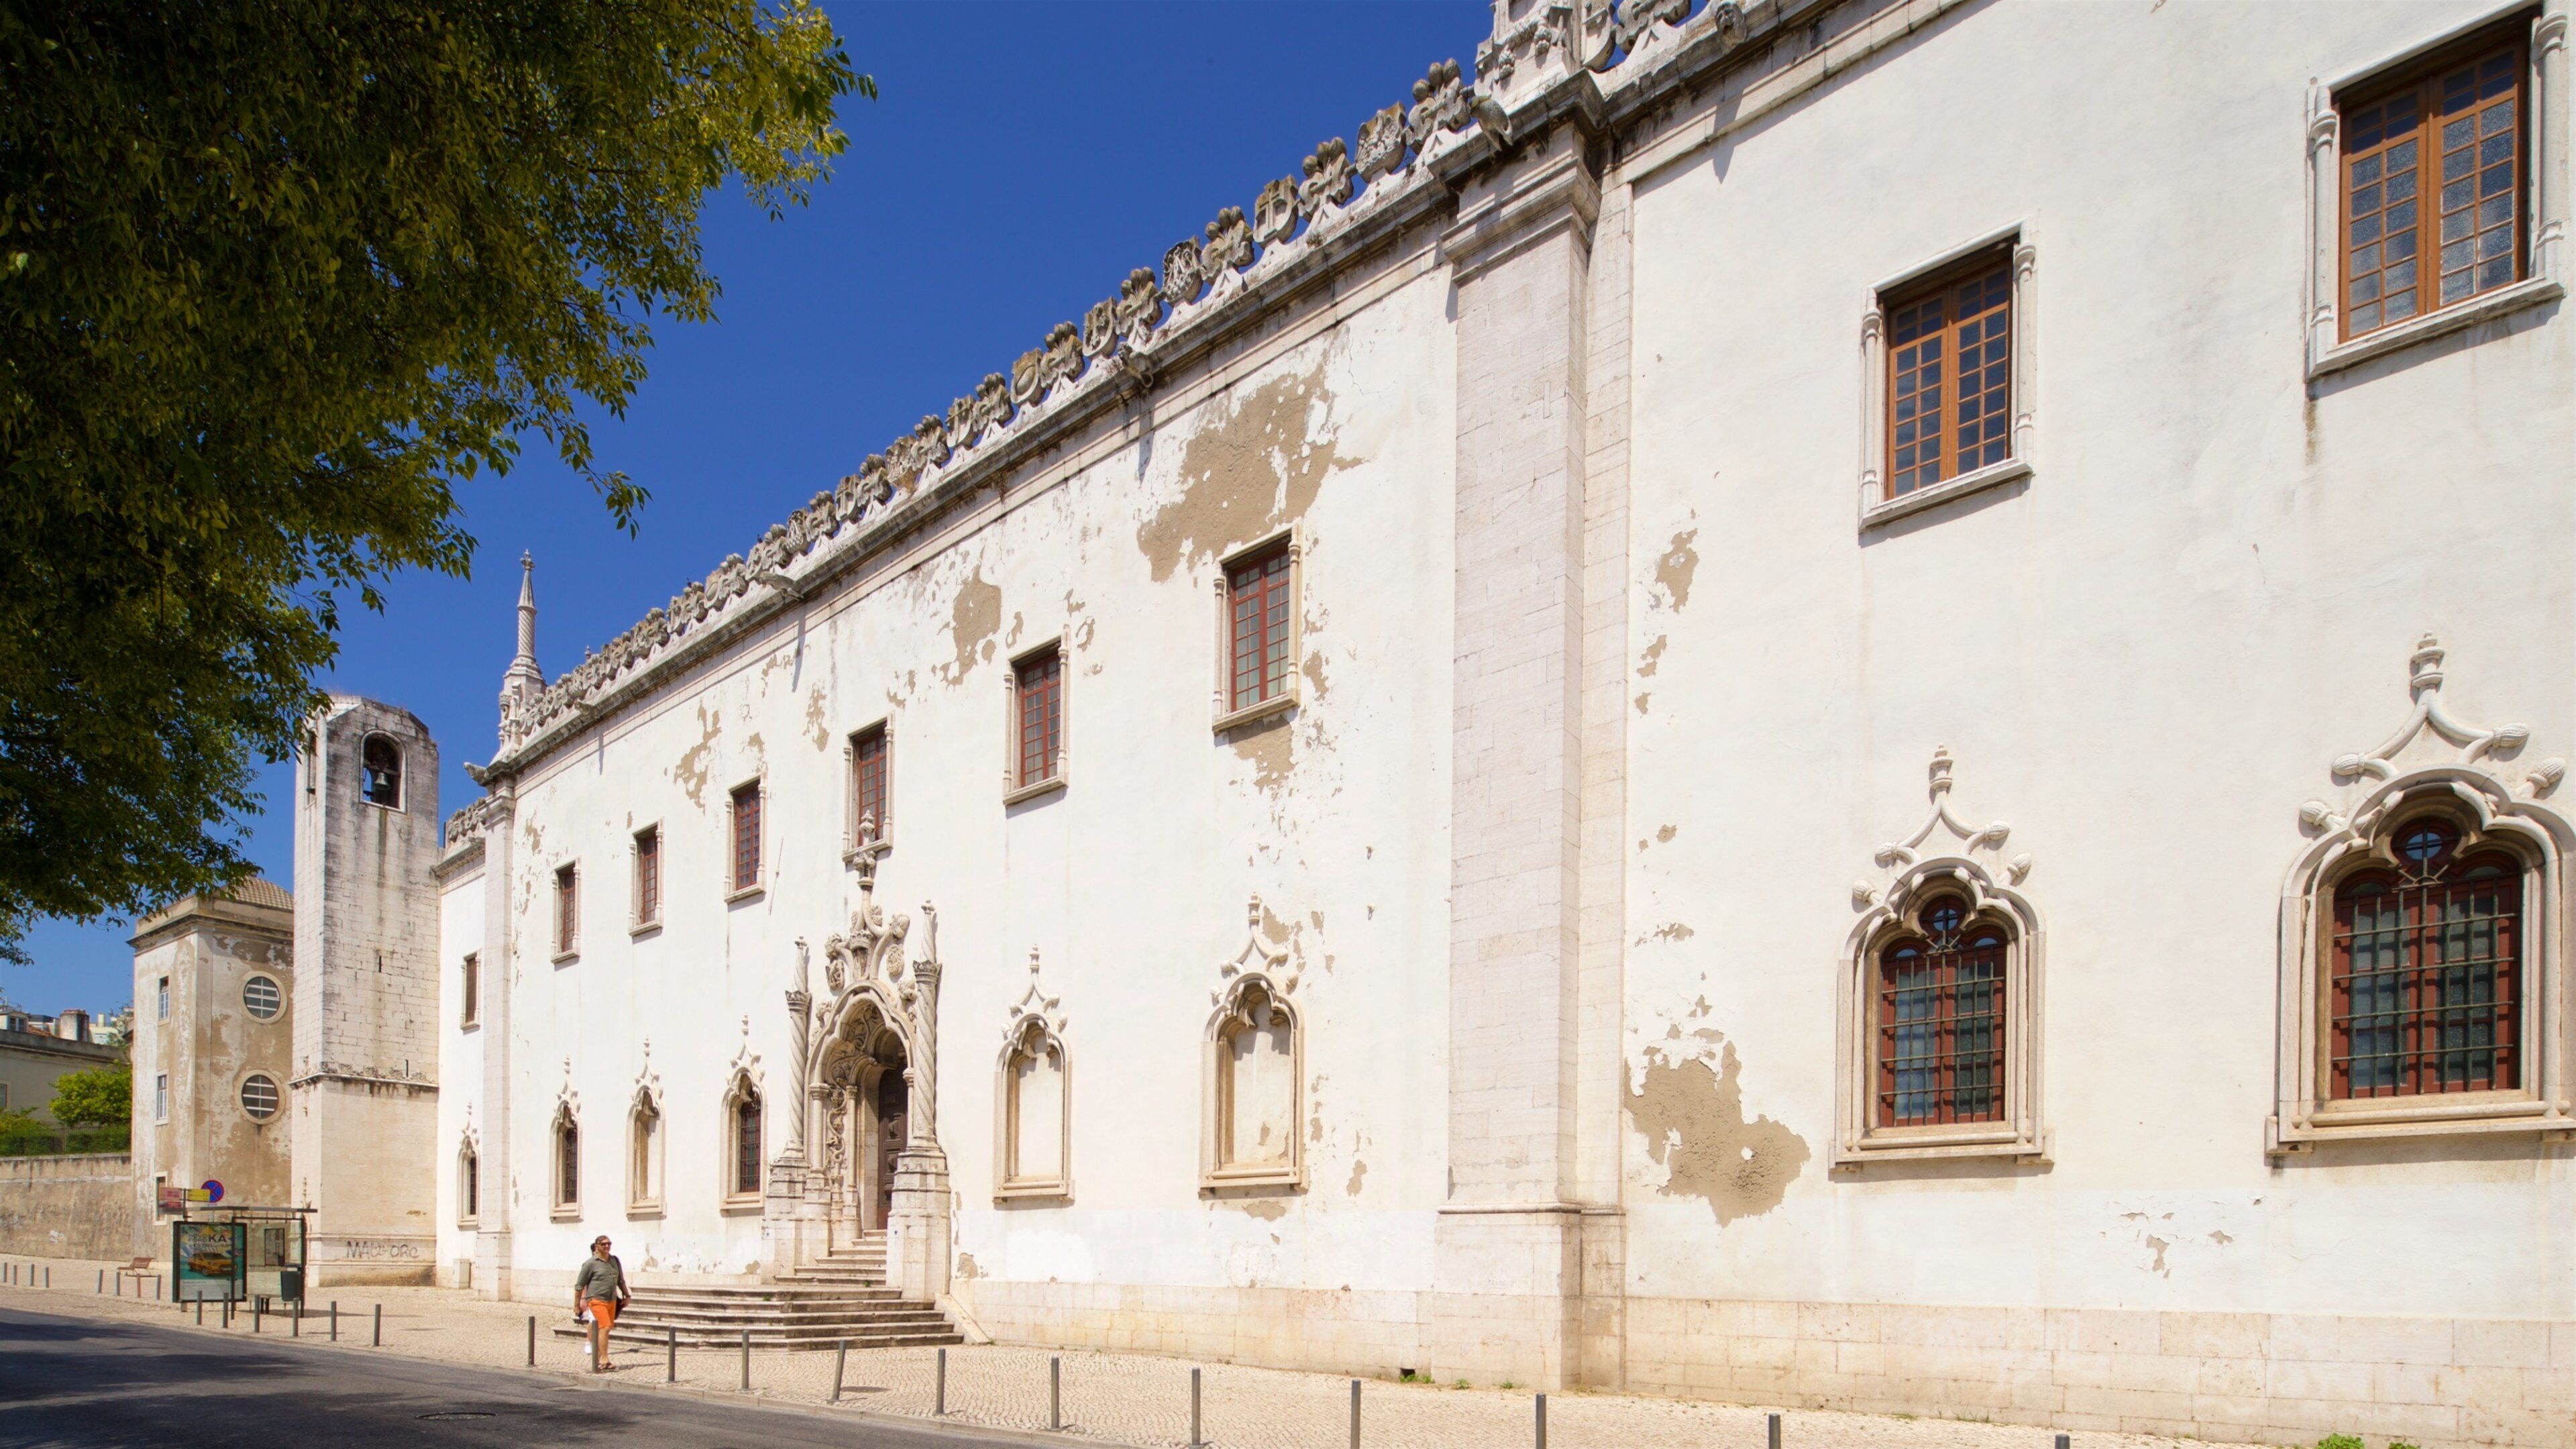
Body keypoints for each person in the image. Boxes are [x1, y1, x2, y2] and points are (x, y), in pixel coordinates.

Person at [572, 1236, 630, 1372]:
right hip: (596, 1299)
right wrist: (577, 1305)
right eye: (603, 1244)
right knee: (605, 1328)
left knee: (605, 1329)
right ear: (596, 1246)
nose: (607, 1246)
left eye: (609, 1244)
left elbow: (621, 1281)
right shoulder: (590, 1264)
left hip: (612, 1299)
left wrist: (627, 1295)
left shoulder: (615, 1261)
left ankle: (597, 1359)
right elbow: (579, 1286)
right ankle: (605, 1361)